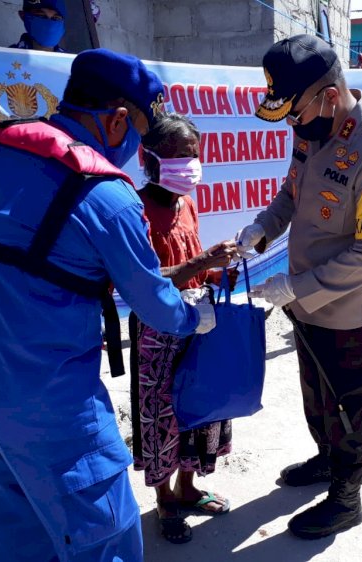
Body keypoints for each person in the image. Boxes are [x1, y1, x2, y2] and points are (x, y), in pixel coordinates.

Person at [0, 48, 217, 561]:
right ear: (119, 121)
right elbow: (156, 306)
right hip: (58, 422)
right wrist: (198, 316)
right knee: (106, 544)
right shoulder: (105, 196)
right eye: (139, 136)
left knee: (22, 542)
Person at [235, 34, 362, 539]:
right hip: (304, 301)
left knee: (349, 401)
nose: (292, 124)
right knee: (315, 393)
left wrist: (298, 286)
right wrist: (262, 227)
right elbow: (290, 194)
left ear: (330, 96)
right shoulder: (311, 130)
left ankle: (347, 495)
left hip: (347, 311)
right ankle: (325, 458)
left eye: (296, 111)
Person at [131, 113, 238, 544]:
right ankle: (165, 501)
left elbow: (194, 268)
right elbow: (143, 279)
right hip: (157, 332)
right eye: (176, 156)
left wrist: (219, 274)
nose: (187, 164)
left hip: (197, 323)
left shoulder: (187, 203)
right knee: (161, 416)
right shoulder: (135, 209)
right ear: (150, 158)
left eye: (192, 155)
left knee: (201, 409)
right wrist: (203, 263)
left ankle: (189, 488)